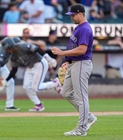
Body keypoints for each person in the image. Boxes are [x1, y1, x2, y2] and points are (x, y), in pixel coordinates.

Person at [51, 4, 97, 136]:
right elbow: (75, 47)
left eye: (73, 15)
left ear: (80, 14)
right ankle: (88, 116)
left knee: (81, 97)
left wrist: (62, 52)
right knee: (66, 93)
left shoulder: (84, 29)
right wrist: (67, 61)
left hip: (81, 63)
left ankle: (81, 129)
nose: (71, 17)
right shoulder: (79, 28)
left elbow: (82, 49)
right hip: (73, 64)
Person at [6, 39, 62, 112]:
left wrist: (49, 59)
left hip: (39, 63)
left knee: (36, 87)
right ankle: (38, 105)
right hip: (30, 66)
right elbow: (14, 69)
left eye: (7, 48)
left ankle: (55, 83)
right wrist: (6, 80)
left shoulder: (22, 46)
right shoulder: (13, 56)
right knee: (26, 86)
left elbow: (37, 49)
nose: (7, 51)